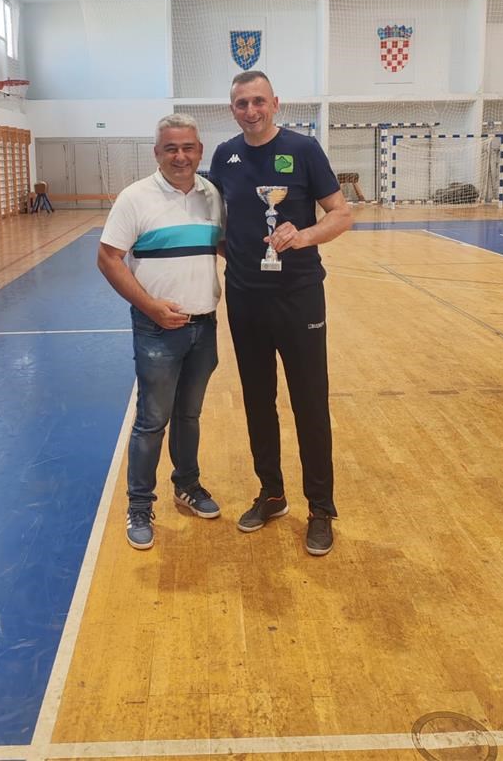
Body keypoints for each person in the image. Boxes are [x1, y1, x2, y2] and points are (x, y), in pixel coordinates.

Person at [209, 71, 353, 556]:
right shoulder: (224, 156)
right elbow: (221, 221)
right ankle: (272, 494)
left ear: (275, 103)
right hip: (245, 298)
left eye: (258, 101)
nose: (251, 111)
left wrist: (303, 236)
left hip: (298, 295)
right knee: (257, 400)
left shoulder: (304, 149)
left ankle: (321, 509)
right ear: (232, 109)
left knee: (310, 403)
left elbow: (341, 213)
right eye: (241, 104)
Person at [98, 114, 224, 550]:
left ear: (200, 151)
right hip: (157, 329)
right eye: (171, 148)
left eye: (188, 147)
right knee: (152, 421)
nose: (180, 156)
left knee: (189, 416)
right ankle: (139, 505)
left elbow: (222, 247)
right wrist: (151, 307)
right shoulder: (135, 198)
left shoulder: (212, 195)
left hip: (204, 326)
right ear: (157, 153)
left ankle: (186, 485)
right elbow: (108, 258)